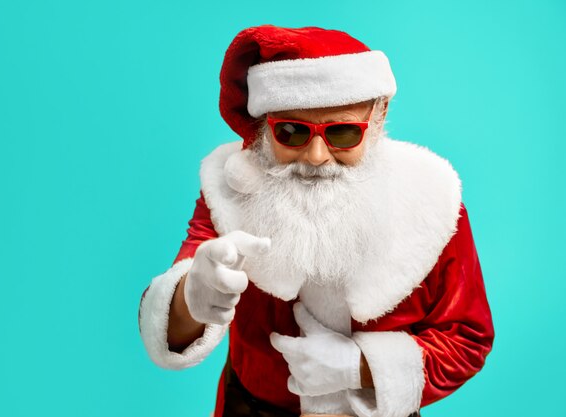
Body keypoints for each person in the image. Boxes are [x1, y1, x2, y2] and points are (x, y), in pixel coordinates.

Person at [138, 25, 494, 417]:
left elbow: (467, 338)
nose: (317, 156)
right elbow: (172, 327)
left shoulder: (432, 200)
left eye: (343, 132)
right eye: (291, 132)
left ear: (377, 116)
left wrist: (359, 367)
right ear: (264, 126)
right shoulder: (229, 190)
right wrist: (194, 295)